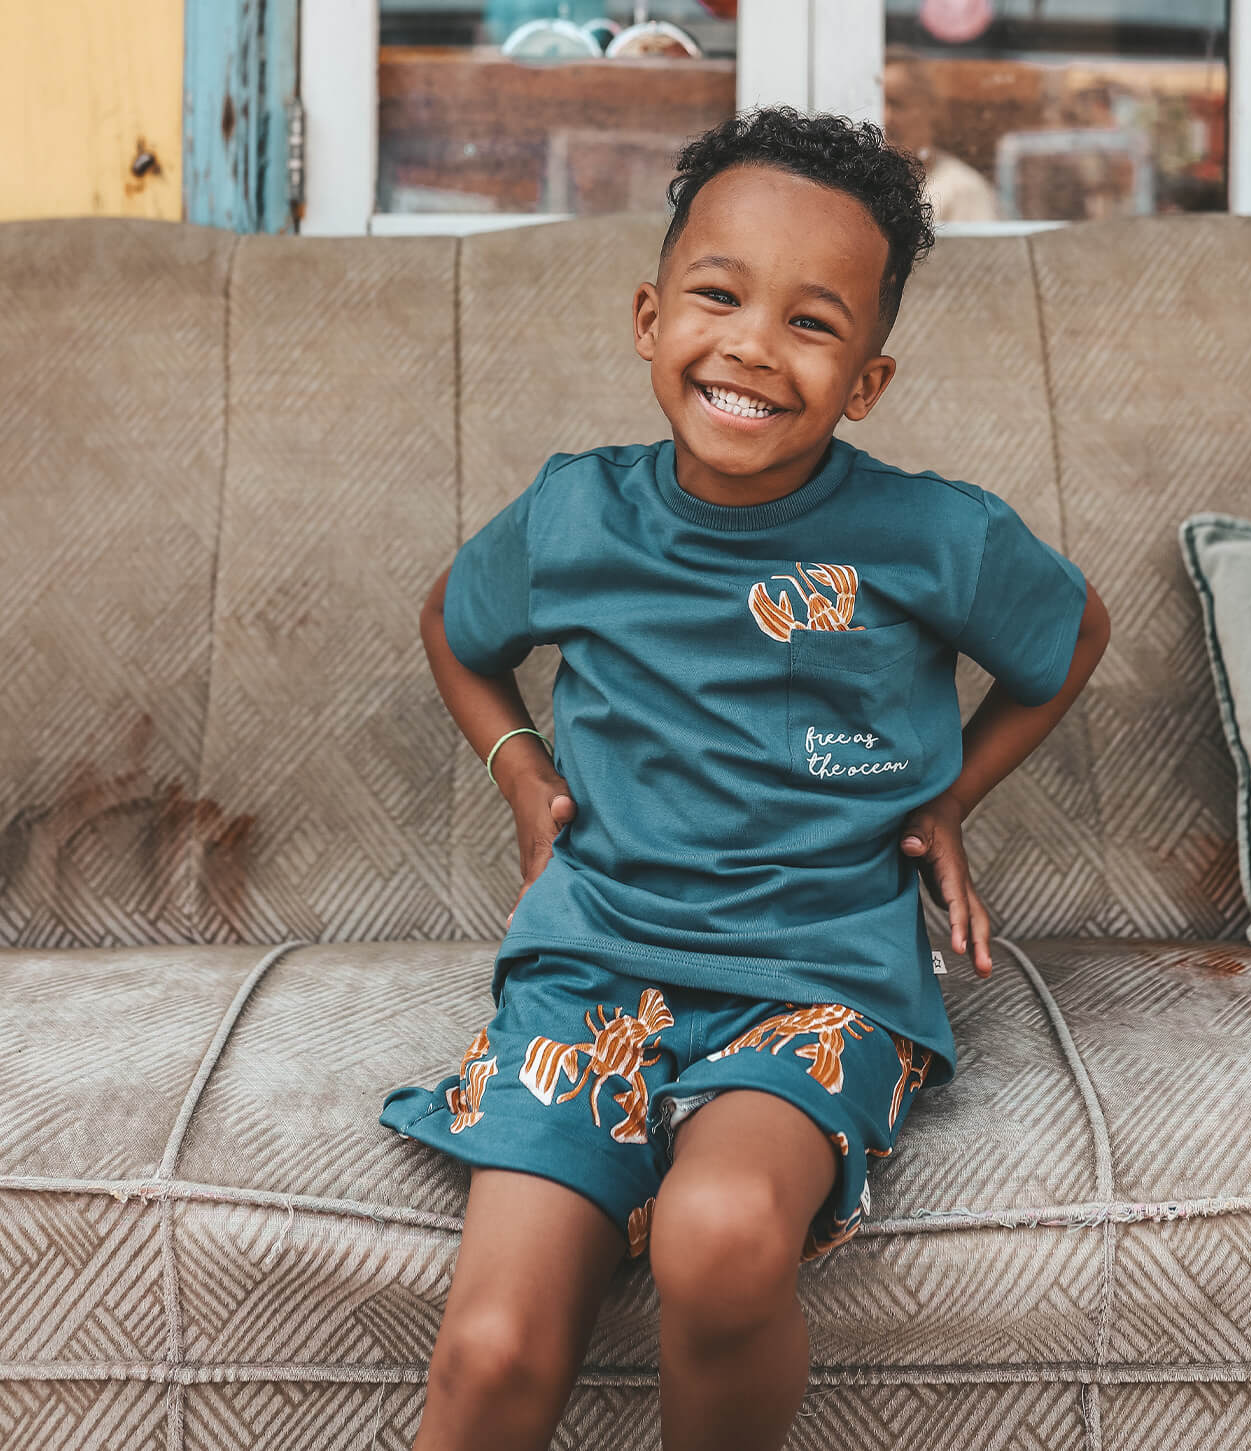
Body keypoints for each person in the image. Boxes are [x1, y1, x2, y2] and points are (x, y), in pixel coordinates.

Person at [379, 105, 1110, 1451]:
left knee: (715, 1235)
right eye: (718, 296)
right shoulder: (574, 514)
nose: (753, 346)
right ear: (649, 316)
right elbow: (450, 624)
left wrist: (948, 793)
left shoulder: (928, 534)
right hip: (591, 967)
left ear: (864, 381)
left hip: (816, 974)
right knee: (488, 1352)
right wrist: (519, 769)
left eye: (810, 323)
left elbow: (1068, 636)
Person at [883, 46, 1001, 222]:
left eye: (897, 104)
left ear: (930, 109)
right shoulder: (858, 190)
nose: (885, 117)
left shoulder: (962, 190)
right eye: (877, 104)